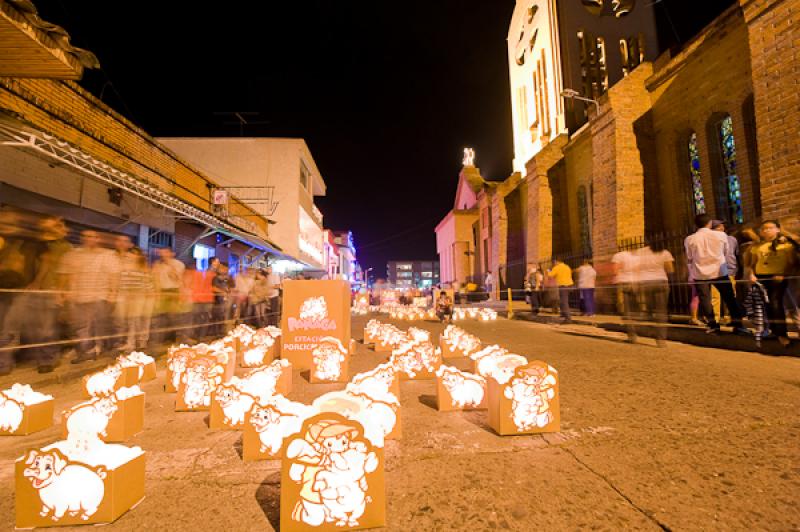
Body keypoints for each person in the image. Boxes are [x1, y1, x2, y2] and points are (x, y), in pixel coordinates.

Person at [59, 230, 121, 363]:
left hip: (100, 296)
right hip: (79, 296)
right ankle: (87, 352)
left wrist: (113, 294)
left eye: (92, 236)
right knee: (81, 327)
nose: (89, 239)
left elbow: (114, 276)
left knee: (100, 325)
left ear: (98, 239)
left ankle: (103, 350)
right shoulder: (74, 254)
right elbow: (66, 274)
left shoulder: (107, 255)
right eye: (86, 236)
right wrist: (64, 292)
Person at [684, 214, 747, 335]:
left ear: (696, 225)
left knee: (706, 300)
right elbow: (725, 251)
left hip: (700, 273)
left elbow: (690, 257)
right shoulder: (721, 235)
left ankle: (713, 326)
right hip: (719, 271)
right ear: (709, 223)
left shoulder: (689, 239)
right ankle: (738, 325)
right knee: (729, 298)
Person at [748, 220, 799, 347]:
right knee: (767, 305)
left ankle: (782, 334)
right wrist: (751, 274)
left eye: (770, 228)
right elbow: (752, 264)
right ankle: (774, 331)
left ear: (777, 229)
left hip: (779, 278)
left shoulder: (787, 244)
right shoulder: (757, 246)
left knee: (776, 303)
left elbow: (792, 263)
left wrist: (784, 274)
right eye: (763, 229)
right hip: (761, 278)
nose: (766, 231)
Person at [631, 241, 674, 347]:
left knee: (649, 310)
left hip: (646, 283)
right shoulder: (664, 252)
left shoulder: (640, 252)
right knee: (661, 311)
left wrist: (635, 282)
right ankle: (660, 339)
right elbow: (670, 269)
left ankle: (641, 330)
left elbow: (635, 268)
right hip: (660, 282)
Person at [117, 247, 155, 351]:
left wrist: (149, 297)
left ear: (138, 256)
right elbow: (122, 283)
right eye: (130, 253)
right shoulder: (124, 267)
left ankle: (137, 343)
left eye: (134, 254)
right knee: (131, 321)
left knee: (137, 321)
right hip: (129, 298)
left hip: (141, 297)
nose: (131, 255)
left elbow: (148, 284)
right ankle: (134, 343)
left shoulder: (143, 268)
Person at [152, 247, 186, 345]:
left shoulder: (178, 264)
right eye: (162, 252)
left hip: (174, 291)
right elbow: (156, 280)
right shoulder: (158, 265)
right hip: (162, 291)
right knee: (160, 317)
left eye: (166, 252)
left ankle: (180, 339)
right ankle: (159, 341)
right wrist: (157, 295)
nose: (163, 254)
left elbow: (177, 278)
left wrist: (169, 265)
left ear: (172, 253)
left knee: (175, 317)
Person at [548, 259, 574, 323]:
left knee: (564, 302)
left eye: (554, 262)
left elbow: (550, 275)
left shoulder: (557, 267)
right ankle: (563, 314)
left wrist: (548, 271)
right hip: (570, 285)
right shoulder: (567, 267)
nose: (554, 263)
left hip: (563, 285)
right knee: (562, 301)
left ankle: (568, 318)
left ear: (556, 261)